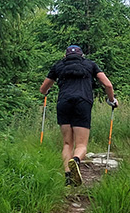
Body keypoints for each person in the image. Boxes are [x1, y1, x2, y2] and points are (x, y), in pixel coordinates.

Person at [40, 44, 117, 186]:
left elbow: (43, 88)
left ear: (65, 56)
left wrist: (46, 92)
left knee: (67, 143)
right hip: (83, 103)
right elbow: (108, 85)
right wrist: (111, 100)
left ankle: (68, 177)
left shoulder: (58, 66)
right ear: (82, 55)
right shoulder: (90, 65)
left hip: (64, 103)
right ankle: (76, 160)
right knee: (81, 144)